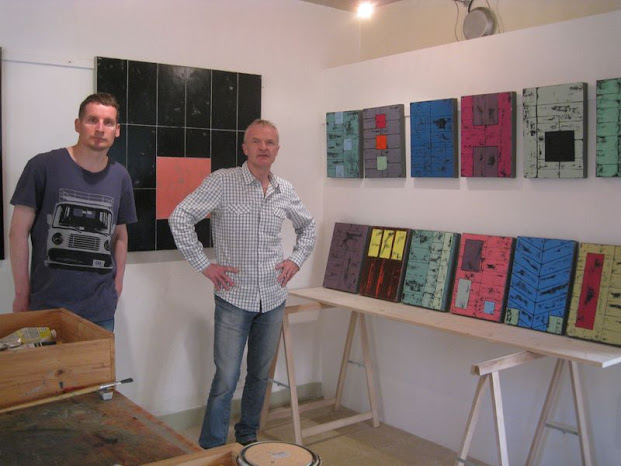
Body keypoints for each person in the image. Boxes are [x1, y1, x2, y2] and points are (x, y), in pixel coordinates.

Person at [169, 119, 316, 449]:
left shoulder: (284, 189)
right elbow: (180, 217)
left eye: (270, 142)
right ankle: (212, 446)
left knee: (260, 375)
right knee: (226, 378)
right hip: (234, 297)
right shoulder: (223, 182)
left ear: (277, 150)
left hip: (273, 297)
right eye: (257, 141)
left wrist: (295, 260)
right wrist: (204, 265)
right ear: (245, 147)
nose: (264, 147)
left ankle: (248, 435)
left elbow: (308, 226)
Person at [9, 93, 137, 332]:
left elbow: (120, 235)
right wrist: (21, 293)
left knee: (97, 360)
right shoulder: (42, 166)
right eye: (92, 120)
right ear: (78, 124)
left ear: (117, 130)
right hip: (47, 305)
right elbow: (17, 232)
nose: (100, 129)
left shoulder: (120, 176)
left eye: (108, 122)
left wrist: (117, 285)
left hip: (99, 309)